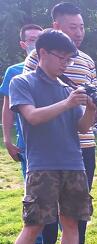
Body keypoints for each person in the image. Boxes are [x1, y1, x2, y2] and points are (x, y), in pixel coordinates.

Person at [6, 29, 95, 244]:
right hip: (42, 165)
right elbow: (32, 117)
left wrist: (90, 110)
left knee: (70, 221)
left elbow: (80, 127)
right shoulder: (22, 82)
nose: (65, 64)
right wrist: (68, 103)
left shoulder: (67, 88)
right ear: (42, 53)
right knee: (34, 224)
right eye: (62, 58)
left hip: (73, 163)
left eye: (69, 60)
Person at [25, 2, 97, 244]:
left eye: (81, 26)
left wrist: (92, 108)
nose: (79, 32)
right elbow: (29, 99)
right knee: (46, 206)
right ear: (56, 26)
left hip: (84, 143)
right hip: (50, 145)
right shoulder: (38, 58)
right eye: (72, 27)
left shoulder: (88, 60)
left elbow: (92, 97)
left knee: (79, 203)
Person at [2, 24, 42, 177]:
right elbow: (7, 108)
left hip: (56, 139)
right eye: (32, 39)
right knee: (33, 189)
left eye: (40, 39)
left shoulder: (58, 69)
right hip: (27, 141)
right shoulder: (14, 72)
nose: (37, 43)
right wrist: (7, 139)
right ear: (23, 44)